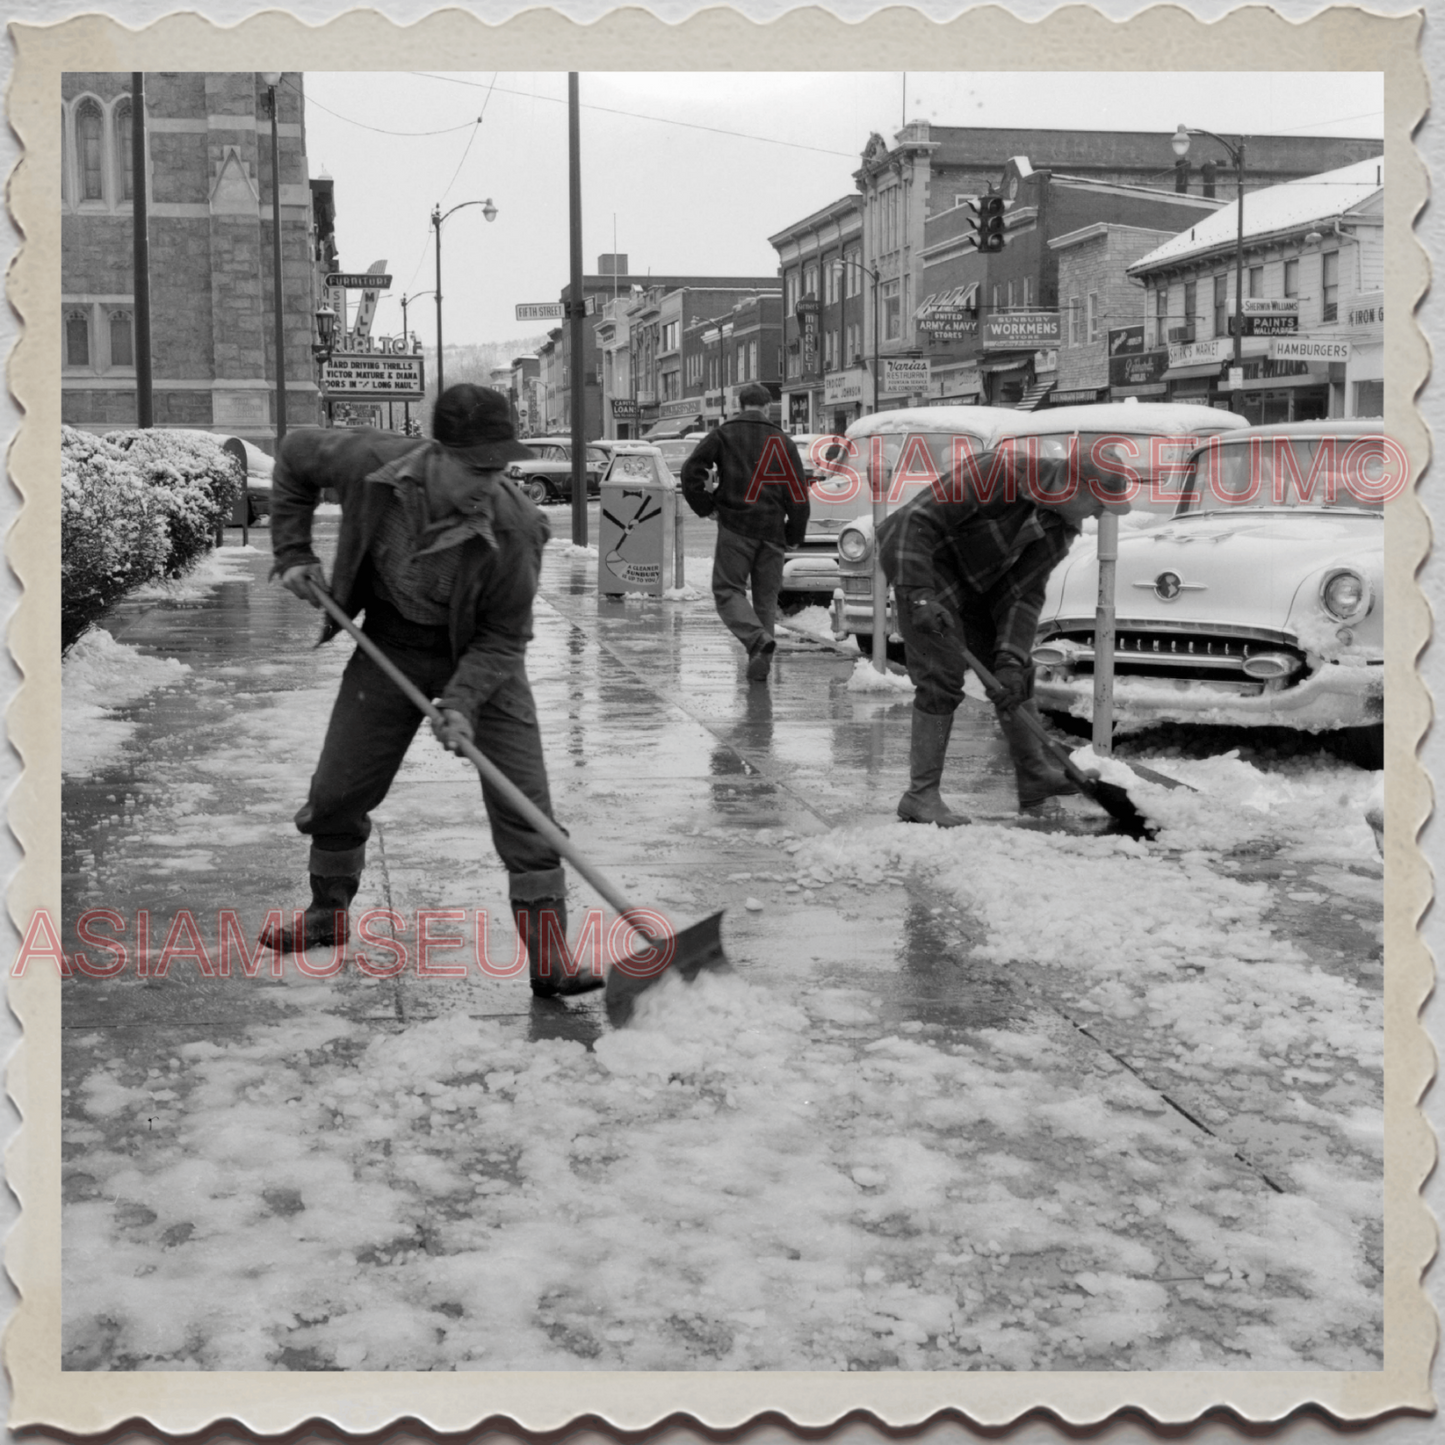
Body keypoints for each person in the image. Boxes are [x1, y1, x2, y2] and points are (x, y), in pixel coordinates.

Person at [265, 383, 601, 999]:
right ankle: (327, 912)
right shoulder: (368, 463)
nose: (488, 481)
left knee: (525, 805)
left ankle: (551, 958)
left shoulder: (517, 527)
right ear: (435, 453)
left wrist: (463, 703)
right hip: (391, 641)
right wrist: (292, 550)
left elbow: (504, 637)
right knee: (339, 787)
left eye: (499, 467)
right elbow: (292, 457)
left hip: (482, 658)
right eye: (475, 466)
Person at [878, 443, 1132, 825]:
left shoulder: (1060, 528)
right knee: (941, 675)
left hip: (976, 581)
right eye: (1098, 502)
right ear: (1073, 485)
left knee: (1016, 674)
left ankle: (1034, 781)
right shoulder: (998, 472)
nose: (1100, 513)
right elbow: (918, 521)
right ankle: (920, 795)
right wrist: (917, 595)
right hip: (922, 563)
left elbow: (1022, 595)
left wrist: (1010, 659)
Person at [680, 383, 810, 682]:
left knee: (728, 591)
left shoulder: (724, 435)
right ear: (767, 407)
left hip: (736, 527)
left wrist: (707, 505)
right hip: (773, 530)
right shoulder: (783, 441)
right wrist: (794, 532)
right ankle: (759, 660)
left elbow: (691, 471)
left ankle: (757, 643)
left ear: (741, 405)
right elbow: (798, 493)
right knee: (765, 599)